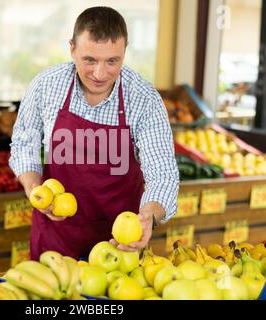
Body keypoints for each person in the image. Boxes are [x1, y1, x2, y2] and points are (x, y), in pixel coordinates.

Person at [9, 6, 179, 260]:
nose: (100, 74)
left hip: (119, 245)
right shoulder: (46, 86)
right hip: (56, 239)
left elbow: (163, 174)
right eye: (90, 60)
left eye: (112, 61)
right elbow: (24, 145)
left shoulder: (144, 99)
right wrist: (36, 190)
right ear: (72, 49)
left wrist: (148, 217)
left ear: (124, 52)